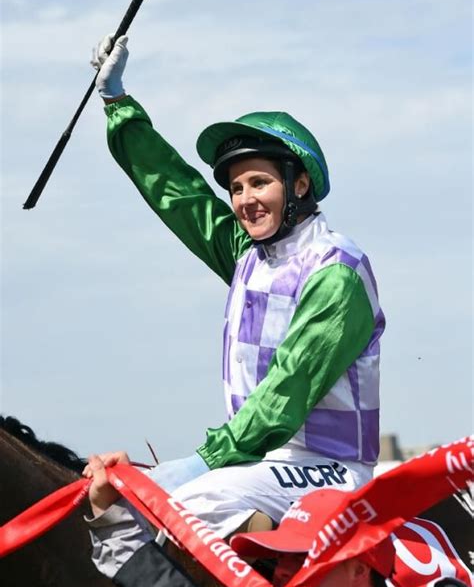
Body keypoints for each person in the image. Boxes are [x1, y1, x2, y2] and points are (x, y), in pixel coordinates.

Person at [89, 34, 385, 538]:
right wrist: (118, 104)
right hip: (259, 467)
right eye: (236, 187)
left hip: (332, 473)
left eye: (259, 182)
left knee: (187, 499)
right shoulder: (248, 253)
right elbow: (177, 193)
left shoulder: (338, 271)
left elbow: (285, 393)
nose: (245, 199)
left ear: (299, 185)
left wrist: (199, 462)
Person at [85, 453, 473, 587]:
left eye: (300, 558)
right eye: (278, 556)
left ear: (358, 568)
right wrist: (112, 514)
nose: (281, 570)